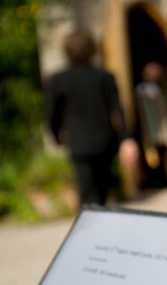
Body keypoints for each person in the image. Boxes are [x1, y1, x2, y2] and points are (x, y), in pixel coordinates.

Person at [44, 29, 139, 206]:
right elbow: (118, 110)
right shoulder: (104, 77)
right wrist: (125, 138)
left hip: (79, 143)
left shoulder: (59, 80)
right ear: (92, 49)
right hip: (104, 142)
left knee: (86, 191)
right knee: (102, 190)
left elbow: (51, 113)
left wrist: (56, 135)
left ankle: (90, 224)